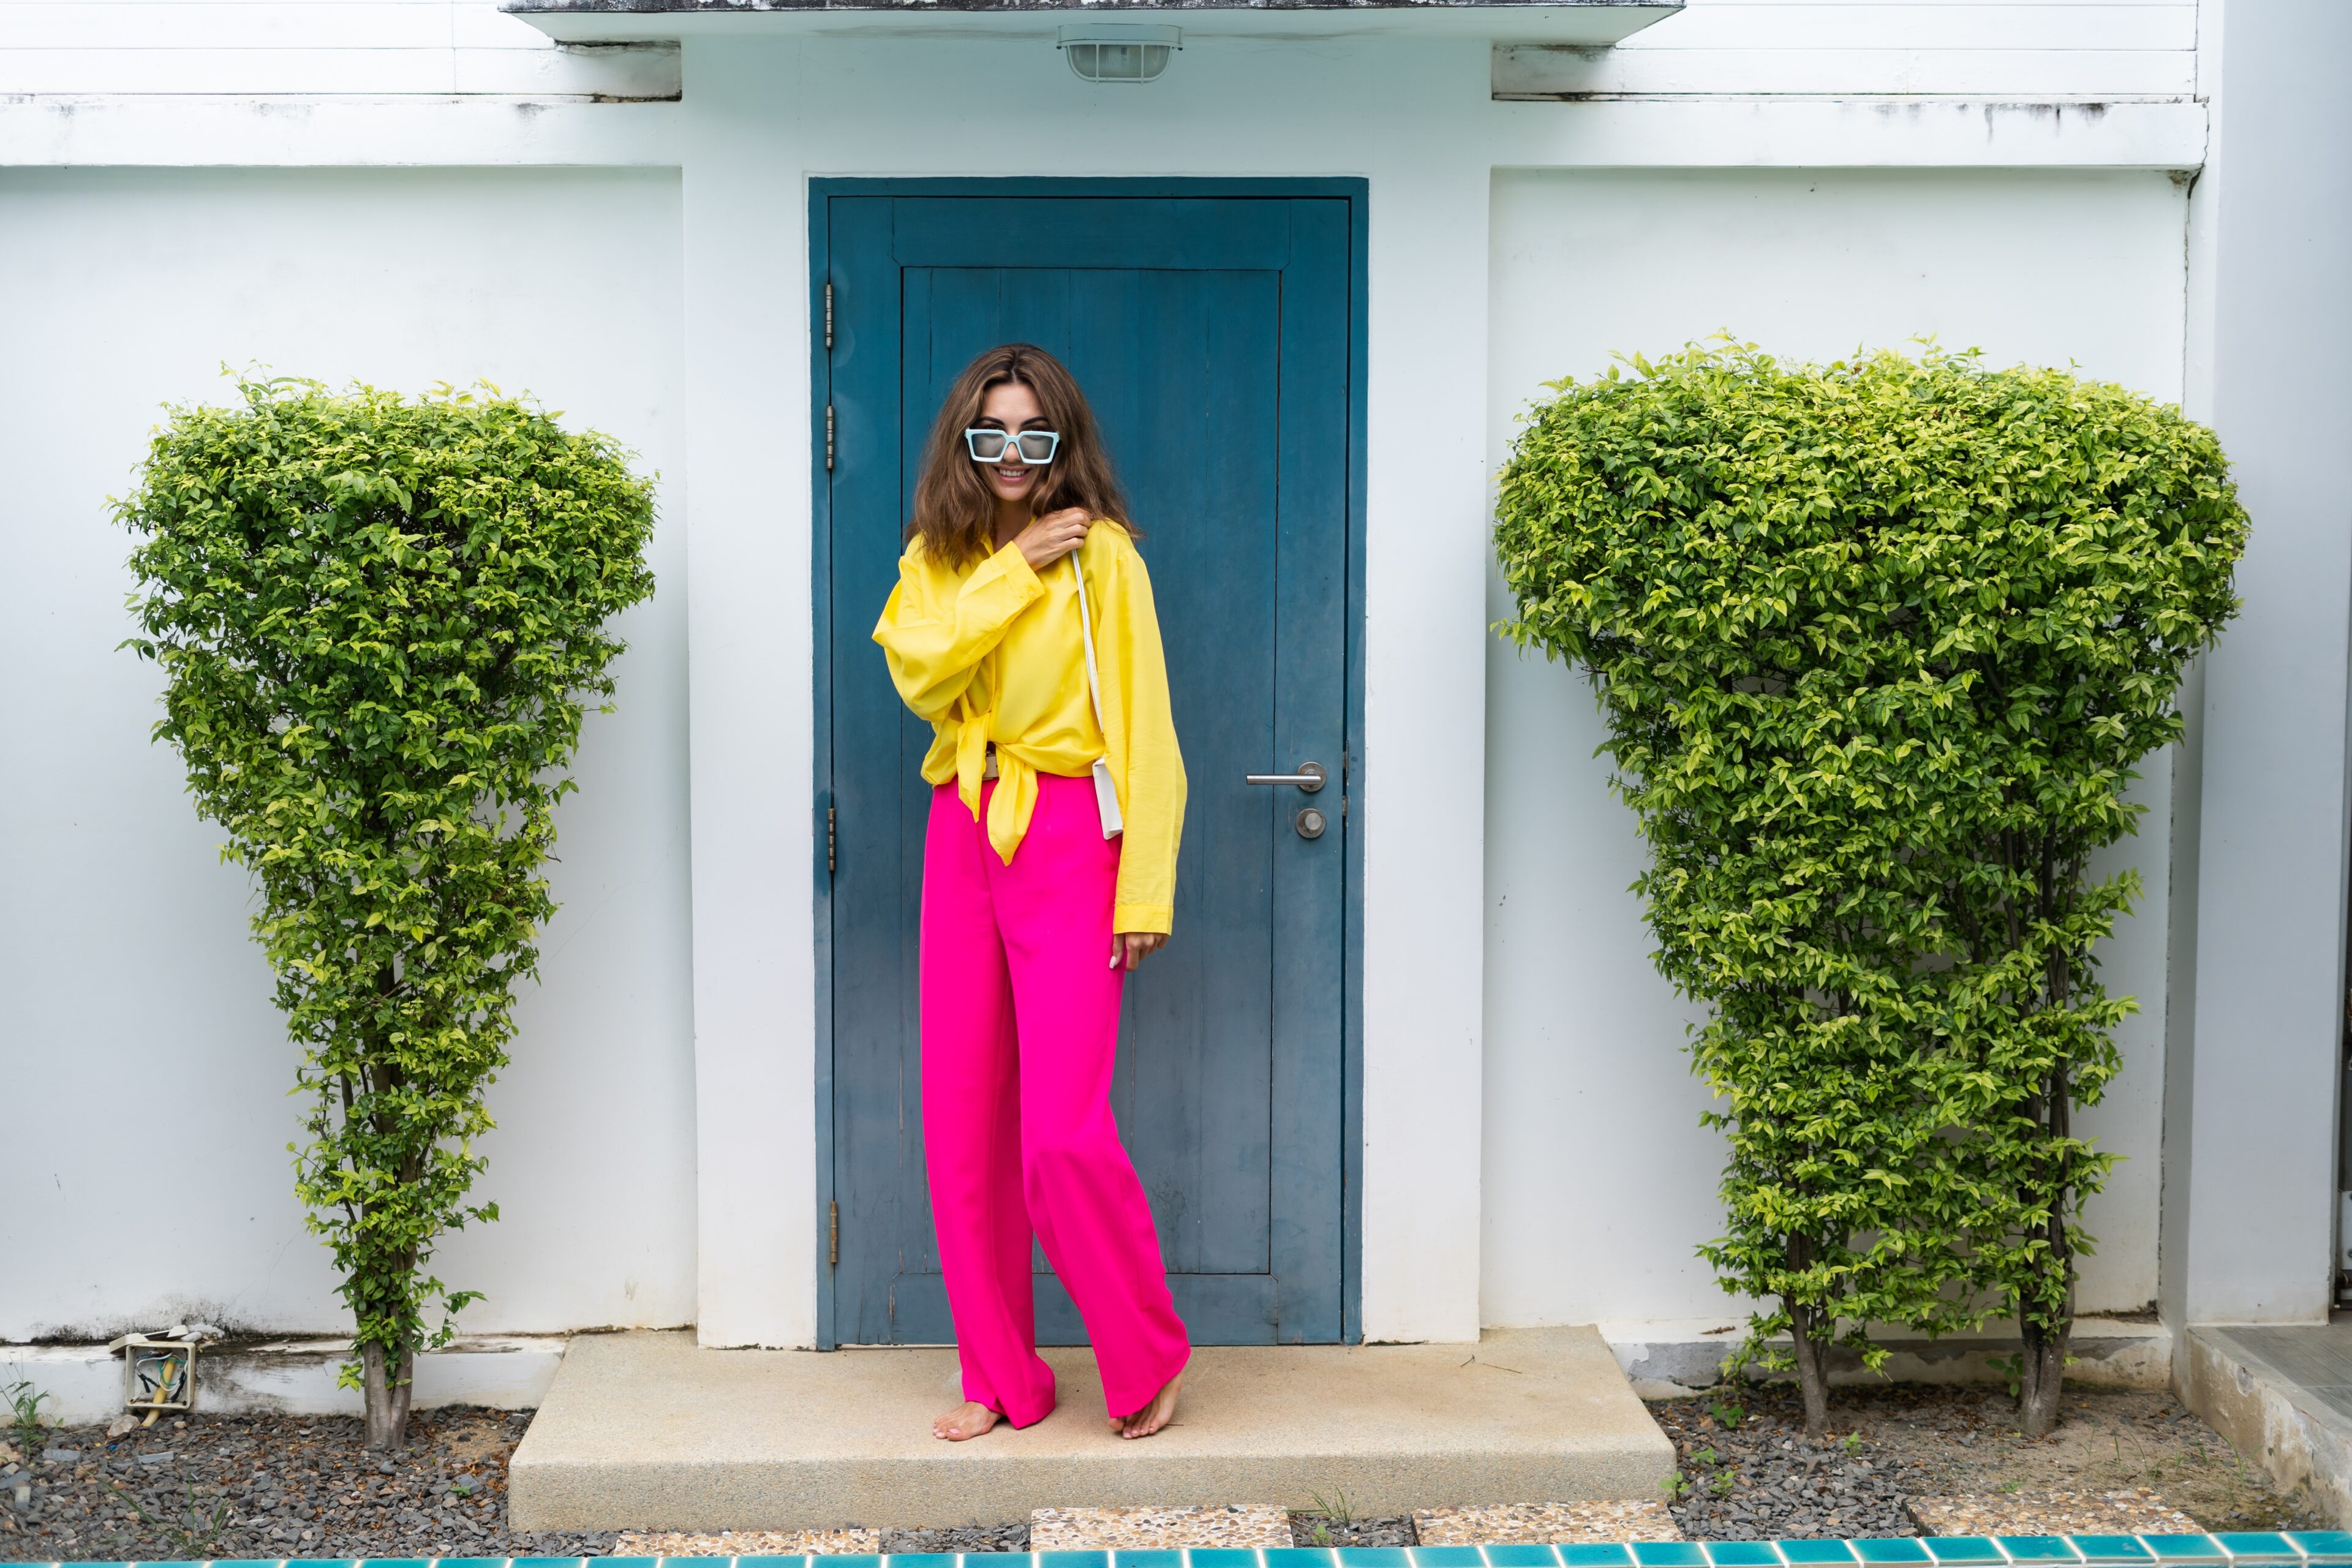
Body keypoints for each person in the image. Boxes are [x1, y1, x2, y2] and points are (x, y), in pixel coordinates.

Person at [872, 342, 1190, 1443]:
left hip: (1065, 836)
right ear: (967, 441)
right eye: (993, 436)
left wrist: (1142, 884)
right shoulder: (940, 558)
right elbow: (920, 672)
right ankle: (1003, 1379)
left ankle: (1144, 1355)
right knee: (964, 1125)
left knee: (1058, 1128)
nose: (1014, 457)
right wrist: (1014, 570)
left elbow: (1146, 727)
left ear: (1064, 444)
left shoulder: (1107, 562)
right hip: (962, 825)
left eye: (1035, 437)